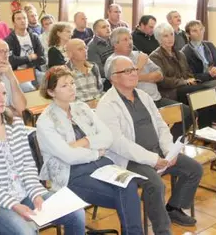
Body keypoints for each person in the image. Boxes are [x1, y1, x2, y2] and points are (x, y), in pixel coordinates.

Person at [0, 74, 86, 235]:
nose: (2, 99)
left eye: (4, 94)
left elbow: (28, 165)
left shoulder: (16, 124)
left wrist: (35, 194)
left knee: (76, 214)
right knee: (26, 233)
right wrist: (14, 204)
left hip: (26, 192)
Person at [96, 55, 203, 234]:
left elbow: (161, 126)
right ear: (113, 77)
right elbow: (119, 144)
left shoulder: (143, 96)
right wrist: (153, 160)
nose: (134, 73)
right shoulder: (107, 105)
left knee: (194, 169)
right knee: (156, 185)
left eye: (134, 69)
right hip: (129, 159)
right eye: (127, 71)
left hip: (158, 151)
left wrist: (169, 151)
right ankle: (162, 230)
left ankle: (174, 208)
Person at [36, 66, 143, 235]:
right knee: (127, 197)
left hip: (101, 164)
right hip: (71, 174)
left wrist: (84, 141)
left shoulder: (82, 108)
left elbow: (107, 137)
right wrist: (95, 151)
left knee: (129, 184)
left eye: (72, 83)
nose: (72, 87)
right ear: (51, 92)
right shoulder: (46, 121)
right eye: (64, 85)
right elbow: (68, 157)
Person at [106, 27, 192, 140]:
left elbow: (159, 75)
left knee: (187, 113)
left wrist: (139, 76)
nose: (130, 42)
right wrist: (140, 66)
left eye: (130, 38)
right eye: (125, 40)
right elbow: (125, 83)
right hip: (136, 103)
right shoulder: (113, 61)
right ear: (115, 44)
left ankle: (170, 141)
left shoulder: (139, 55)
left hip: (156, 99)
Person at [5, 10, 46, 92]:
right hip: (18, 72)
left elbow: (42, 58)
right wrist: (29, 57)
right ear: (14, 23)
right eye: (19, 19)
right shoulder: (9, 40)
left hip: (35, 70)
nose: (23, 21)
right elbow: (11, 60)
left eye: (24, 18)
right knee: (29, 89)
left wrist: (27, 63)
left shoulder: (34, 37)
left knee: (50, 84)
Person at [66, 39, 103, 105]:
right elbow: (66, 98)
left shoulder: (93, 67)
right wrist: (87, 105)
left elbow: (99, 90)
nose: (85, 51)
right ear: (70, 54)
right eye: (80, 49)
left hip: (98, 105)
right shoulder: (65, 71)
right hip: (79, 109)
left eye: (85, 48)